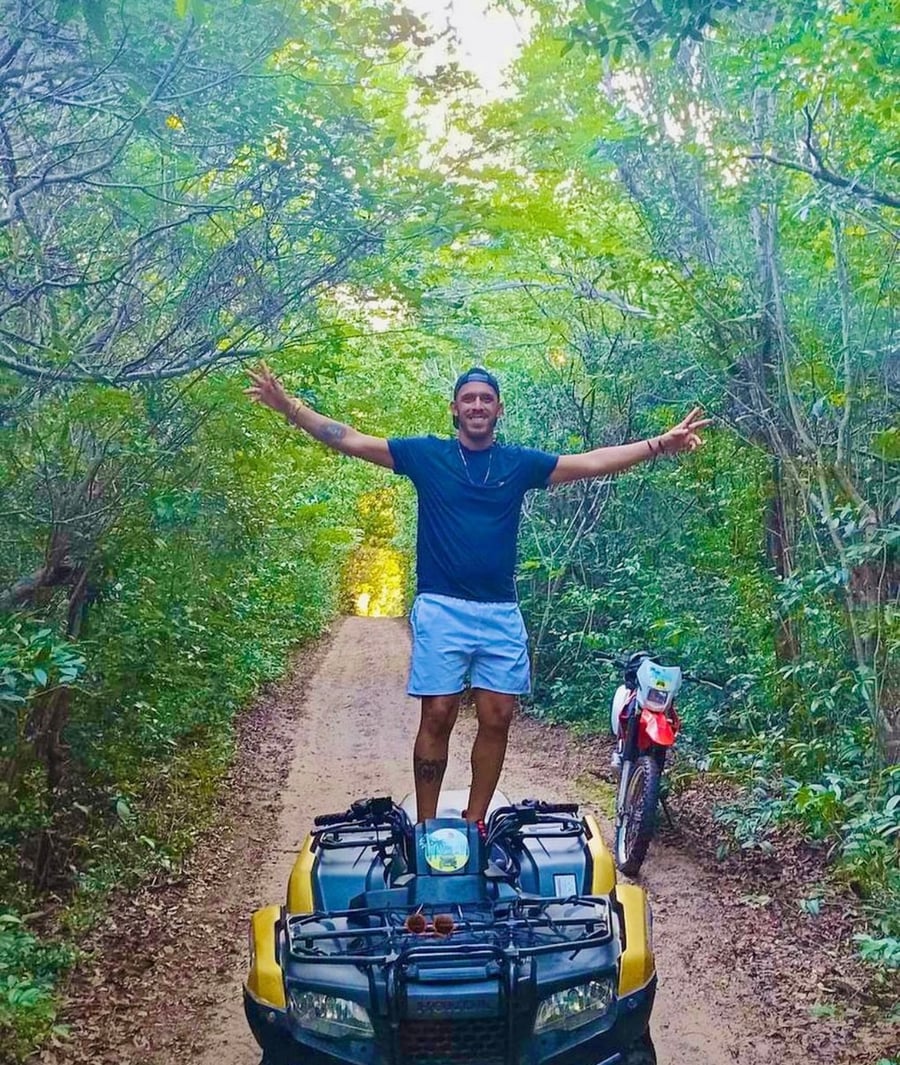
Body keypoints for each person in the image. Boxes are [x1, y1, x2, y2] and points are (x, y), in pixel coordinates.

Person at [245, 363, 709, 832]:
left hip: (500, 612)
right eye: (469, 398)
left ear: (498, 409)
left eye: (486, 399)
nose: (477, 406)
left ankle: (475, 824)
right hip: (442, 608)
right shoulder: (428, 456)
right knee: (438, 713)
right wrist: (290, 408)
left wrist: (659, 444)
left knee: (498, 716)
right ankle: (427, 829)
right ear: (455, 408)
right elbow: (350, 439)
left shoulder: (517, 464)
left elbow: (591, 462)